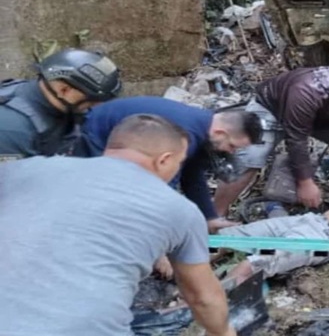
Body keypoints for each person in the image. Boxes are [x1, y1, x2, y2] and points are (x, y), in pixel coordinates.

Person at [0, 114, 234, 336]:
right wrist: (223, 332)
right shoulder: (180, 209)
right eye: (179, 163)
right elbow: (202, 297)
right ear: (164, 159)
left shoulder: (26, 169)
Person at [214, 62, 329, 215]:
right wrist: (305, 183)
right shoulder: (307, 89)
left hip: (322, 117)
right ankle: (216, 214)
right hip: (272, 109)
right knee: (251, 158)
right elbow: (296, 139)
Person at [79, 96, 263, 233]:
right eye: (231, 146)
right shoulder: (187, 134)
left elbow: (193, 176)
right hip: (93, 135)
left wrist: (208, 217)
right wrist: (163, 247)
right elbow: (161, 191)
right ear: (220, 132)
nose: (230, 152)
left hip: (113, 135)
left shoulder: (203, 125)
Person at [0, 48, 121, 160]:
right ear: (64, 90)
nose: (97, 105)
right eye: (93, 99)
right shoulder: (12, 129)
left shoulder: (59, 107)